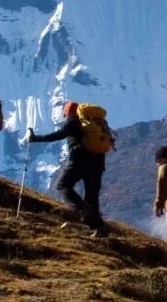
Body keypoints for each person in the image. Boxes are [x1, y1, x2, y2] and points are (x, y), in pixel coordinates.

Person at [29, 101, 109, 238]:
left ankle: (83, 210)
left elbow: (59, 135)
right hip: (98, 163)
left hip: (79, 162)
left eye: (64, 111)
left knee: (63, 185)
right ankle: (99, 228)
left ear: (66, 111)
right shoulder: (96, 122)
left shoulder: (72, 122)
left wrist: (35, 138)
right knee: (92, 195)